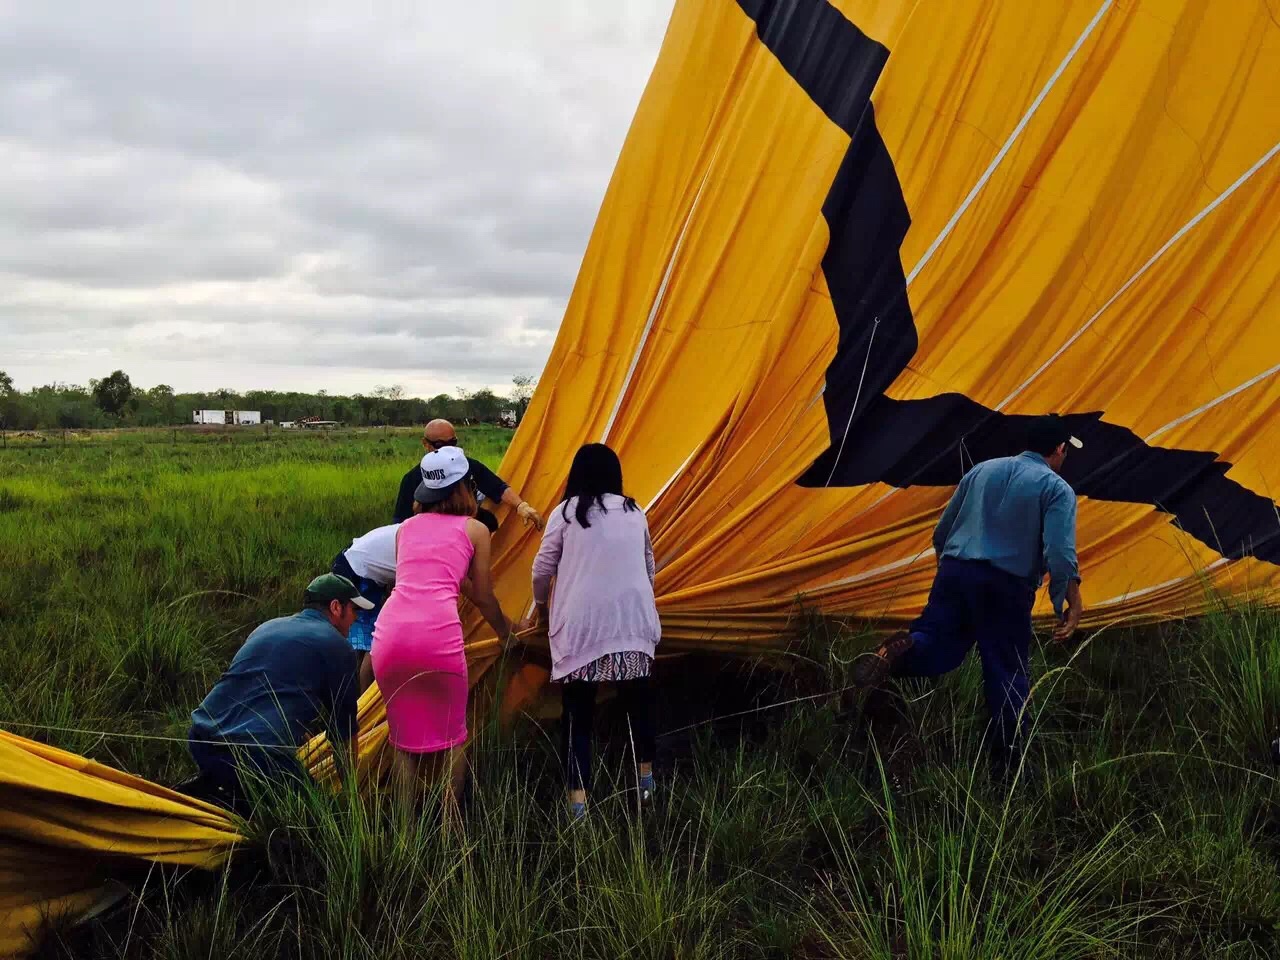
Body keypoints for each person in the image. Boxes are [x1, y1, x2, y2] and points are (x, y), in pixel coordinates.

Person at [853, 414, 1085, 779]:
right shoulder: (1056, 489)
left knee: (938, 645)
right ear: (1059, 449)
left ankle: (900, 651)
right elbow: (1059, 552)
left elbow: (942, 532)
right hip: (1005, 587)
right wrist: (1068, 601)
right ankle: (1011, 771)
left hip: (957, 570)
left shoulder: (981, 472)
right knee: (1006, 673)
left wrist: (953, 568)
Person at [373, 444, 517, 813]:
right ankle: (451, 832)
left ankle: (405, 837)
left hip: (389, 636)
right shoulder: (474, 530)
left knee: (402, 740)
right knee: (453, 737)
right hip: (437, 636)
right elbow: (482, 595)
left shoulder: (404, 529)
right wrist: (507, 633)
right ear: (465, 487)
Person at [530, 443, 661, 818]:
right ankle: (647, 794)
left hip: (583, 635)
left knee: (578, 720)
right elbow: (649, 569)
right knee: (639, 712)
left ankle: (578, 810)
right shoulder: (636, 512)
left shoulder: (566, 513)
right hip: (635, 630)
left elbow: (541, 571)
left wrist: (541, 610)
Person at [186, 574, 367, 808]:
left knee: (236, 799)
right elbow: (343, 734)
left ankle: (219, 792)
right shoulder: (337, 646)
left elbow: (265, 691)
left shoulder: (267, 627)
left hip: (201, 739)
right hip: (260, 756)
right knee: (317, 818)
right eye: (354, 610)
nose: (356, 618)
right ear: (335, 607)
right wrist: (351, 797)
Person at [393, 419, 545, 533]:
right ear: (426, 444)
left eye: (452, 443)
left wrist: (521, 506)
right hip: (431, 534)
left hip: (465, 527)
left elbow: (497, 487)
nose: (448, 450)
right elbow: (400, 523)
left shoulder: (467, 465)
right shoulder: (411, 479)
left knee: (489, 522)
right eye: (440, 445)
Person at [331, 523, 397, 691]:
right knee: (375, 640)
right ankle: (365, 703)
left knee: (366, 638)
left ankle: (355, 694)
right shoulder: (429, 540)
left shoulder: (417, 527)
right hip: (358, 572)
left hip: (357, 566)